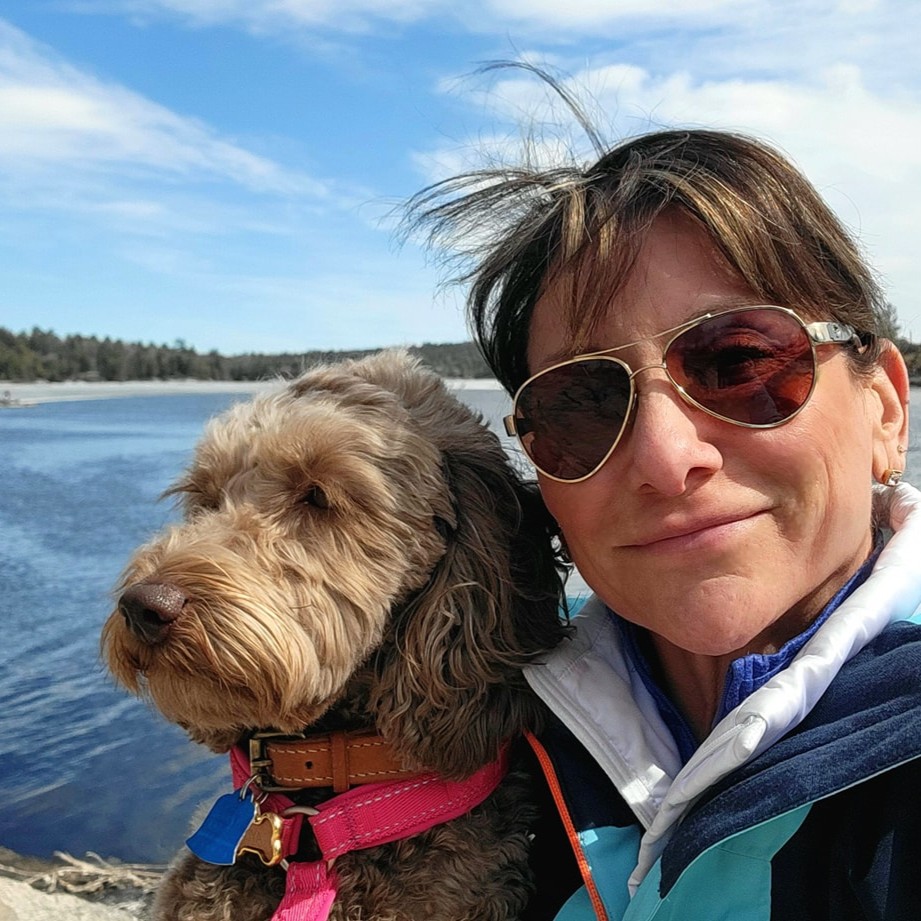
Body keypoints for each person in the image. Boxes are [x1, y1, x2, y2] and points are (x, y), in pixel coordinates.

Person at [409, 121, 920, 919]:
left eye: (738, 361)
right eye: (581, 404)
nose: (661, 454)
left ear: (884, 408)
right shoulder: (479, 746)